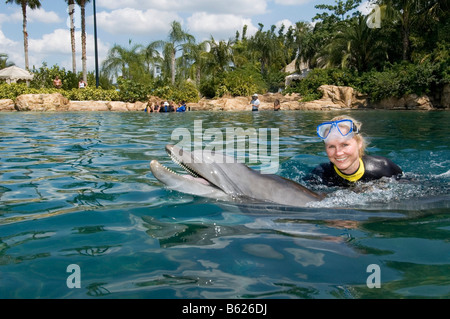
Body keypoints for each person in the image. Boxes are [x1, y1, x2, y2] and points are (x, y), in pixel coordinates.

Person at [307, 115, 403, 187]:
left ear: (359, 143)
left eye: (345, 145)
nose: (338, 153)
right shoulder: (320, 174)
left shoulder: (383, 167)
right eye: (331, 146)